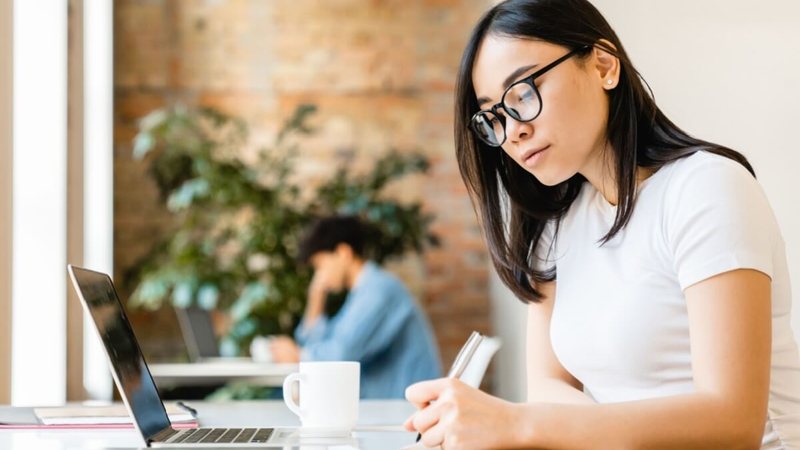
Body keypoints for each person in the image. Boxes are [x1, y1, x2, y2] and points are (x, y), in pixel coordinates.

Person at [403, 0, 800, 448]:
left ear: (604, 65)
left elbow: (732, 420)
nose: (512, 131)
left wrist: (516, 424)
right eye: (493, 114)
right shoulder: (556, 223)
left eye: (523, 94)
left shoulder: (706, 188)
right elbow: (549, 388)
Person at [269, 215, 442, 399]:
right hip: (384, 403)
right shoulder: (360, 294)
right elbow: (319, 344)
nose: (319, 275)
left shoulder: (379, 290)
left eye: (320, 265)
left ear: (343, 253)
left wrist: (298, 355)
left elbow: (341, 355)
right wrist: (316, 296)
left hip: (403, 405)